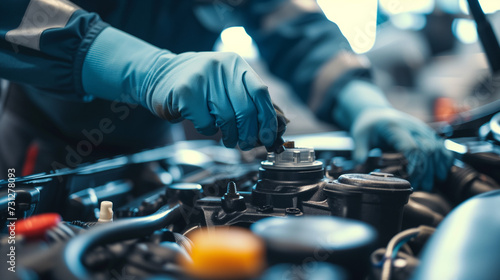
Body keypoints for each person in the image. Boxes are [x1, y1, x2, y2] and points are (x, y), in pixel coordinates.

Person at [0, 0, 452, 190]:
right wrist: (141, 67)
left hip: (153, 150)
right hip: (40, 148)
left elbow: (294, 27)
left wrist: (362, 102)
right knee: (17, 256)